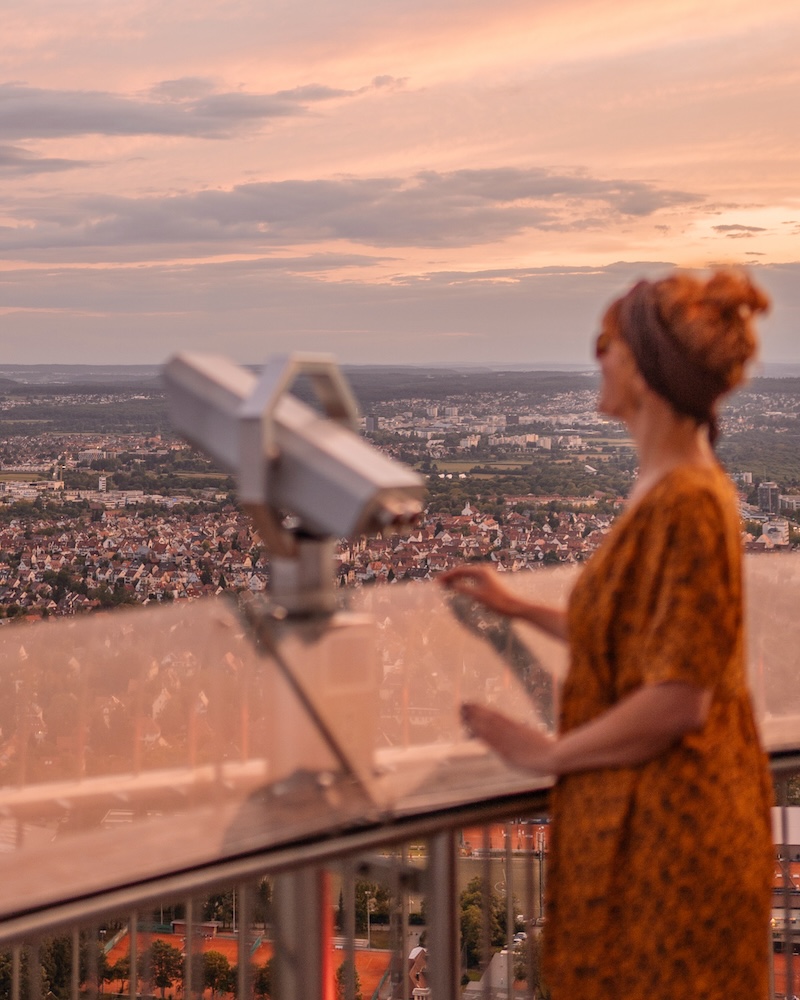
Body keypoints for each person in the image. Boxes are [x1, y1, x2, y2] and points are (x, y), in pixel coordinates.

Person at [441, 271, 774, 1000]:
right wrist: (519, 608)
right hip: (651, 829)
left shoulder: (688, 500)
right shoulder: (665, 484)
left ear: (647, 372)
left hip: (673, 840)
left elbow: (680, 697)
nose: (596, 359)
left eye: (607, 344)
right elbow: (644, 638)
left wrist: (549, 752)